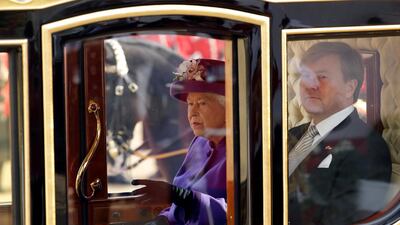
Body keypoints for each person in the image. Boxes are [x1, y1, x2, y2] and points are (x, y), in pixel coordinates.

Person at [288, 42, 392, 225]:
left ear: (349, 87)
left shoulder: (370, 149)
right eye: (306, 75)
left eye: (322, 77)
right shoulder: (291, 135)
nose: (310, 85)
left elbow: (351, 219)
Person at [131, 58, 227, 225]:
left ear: (229, 108)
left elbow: (234, 214)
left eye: (202, 103)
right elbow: (179, 210)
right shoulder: (200, 143)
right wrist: (162, 219)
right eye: (190, 103)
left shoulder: (243, 150)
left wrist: (178, 196)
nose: (192, 112)